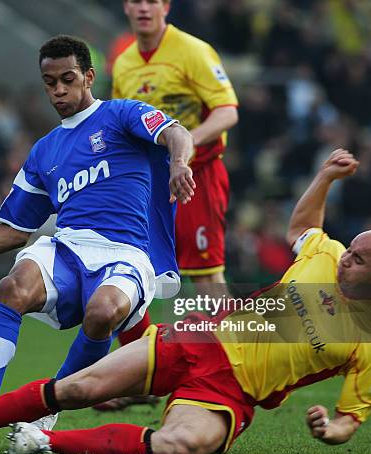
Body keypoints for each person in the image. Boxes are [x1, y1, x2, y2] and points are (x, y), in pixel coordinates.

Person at [0, 149, 371, 454]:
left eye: (359, 260)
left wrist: (330, 430)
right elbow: (303, 228)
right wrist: (324, 177)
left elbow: (350, 420)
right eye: (351, 249)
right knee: (77, 389)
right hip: (200, 339)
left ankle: (44, 440)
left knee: (180, 444)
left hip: (231, 393)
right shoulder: (327, 253)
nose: (347, 259)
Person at [0, 35, 194, 435]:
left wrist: (179, 164)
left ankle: (50, 406)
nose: (59, 90)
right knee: (13, 286)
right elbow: (14, 231)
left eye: (68, 79)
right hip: (67, 248)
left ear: (88, 77)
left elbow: (177, 133)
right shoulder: (44, 152)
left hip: (126, 253)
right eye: (50, 82)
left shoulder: (121, 115)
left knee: (103, 312)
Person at [96, 0, 240, 411]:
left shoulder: (193, 50)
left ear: (166, 6)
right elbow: (124, 122)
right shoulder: (123, 62)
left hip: (198, 174)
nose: (144, 7)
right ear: (126, 7)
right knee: (132, 270)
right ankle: (138, 378)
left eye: (152, 0)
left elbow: (228, 111)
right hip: (149, 184)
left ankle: (239, 368)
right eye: (136, 0)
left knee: (206, 277)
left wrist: (187, 140)